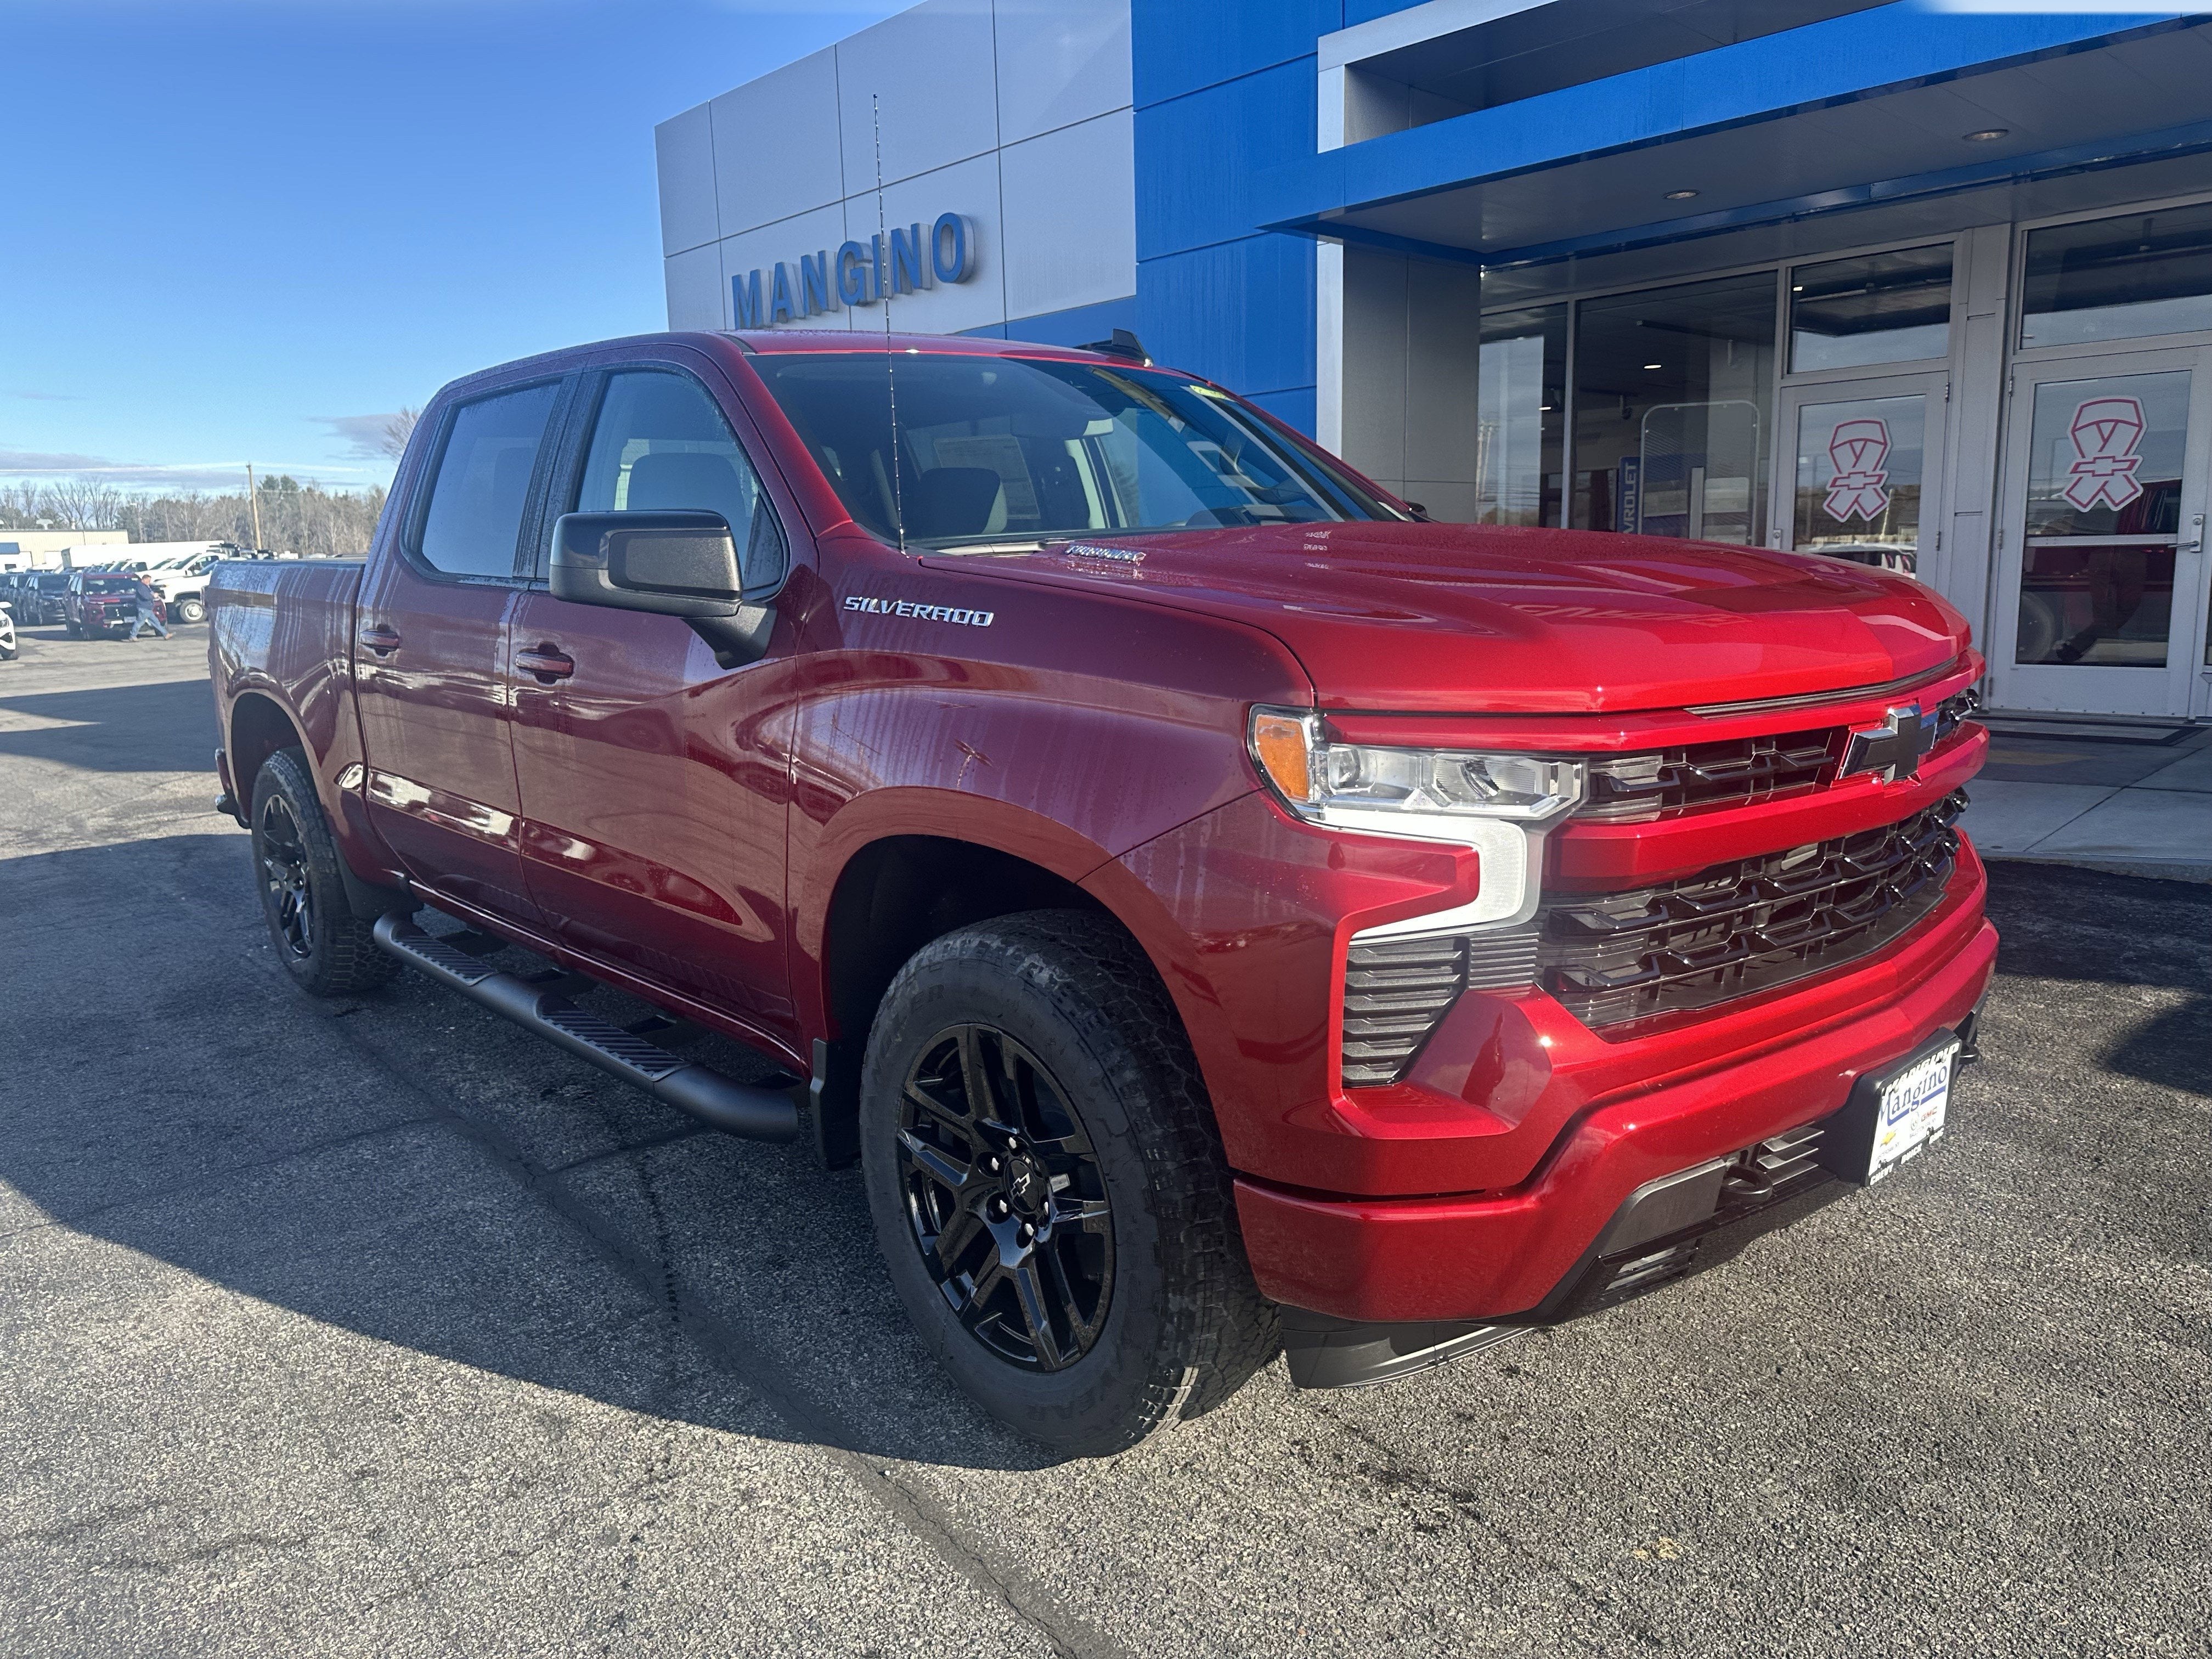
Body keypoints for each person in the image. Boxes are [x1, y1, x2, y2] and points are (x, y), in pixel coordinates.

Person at [123, 573, 171, 640]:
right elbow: (146, 597)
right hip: (144, 608)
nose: (149, 582)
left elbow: (149, 593)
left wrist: (153, 594)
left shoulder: (145, 586)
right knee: (140, 623)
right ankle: (133, 636)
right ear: (144, 579)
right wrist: (153, 596)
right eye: (148, 580)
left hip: (148, 608)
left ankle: (166, 634)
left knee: (156, 622)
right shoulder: (141, 587)